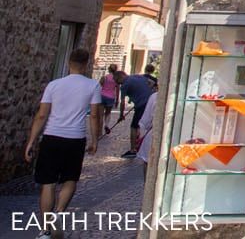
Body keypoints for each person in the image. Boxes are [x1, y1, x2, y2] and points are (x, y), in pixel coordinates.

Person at [25, 48, 103, 237]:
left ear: (69, 63)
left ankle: (45, 230)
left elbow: (42, 114)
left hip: (52, 137)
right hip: (75, 139)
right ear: (86, 64)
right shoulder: (93, 86)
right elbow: (94, 115)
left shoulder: (53, 85)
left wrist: (31, 142)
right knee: (70, 179)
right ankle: (59, 213)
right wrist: (94, 140)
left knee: (48, 183)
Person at [119, 68, 155, 158]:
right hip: (148, 101)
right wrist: (147, 92)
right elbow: (152, 83)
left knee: (134, 126)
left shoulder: (124, 85)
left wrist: (121, 115)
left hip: (141, 104)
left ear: (121, 77)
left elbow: (122, 102)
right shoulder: (137, 76)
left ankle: (133, 149)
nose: (118, 84)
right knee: (140, 124)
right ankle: (137, 145)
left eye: (118, 81)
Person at [98, 65, 119, 133]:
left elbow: (99, 86)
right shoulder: (116, 79)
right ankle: (106, 125)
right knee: (108, 113)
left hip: (102, 96)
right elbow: (118, 90)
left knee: (100, 114)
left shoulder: (104, 77)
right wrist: (117, 100)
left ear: (109, 69)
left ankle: (100, 130)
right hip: (111, 97)